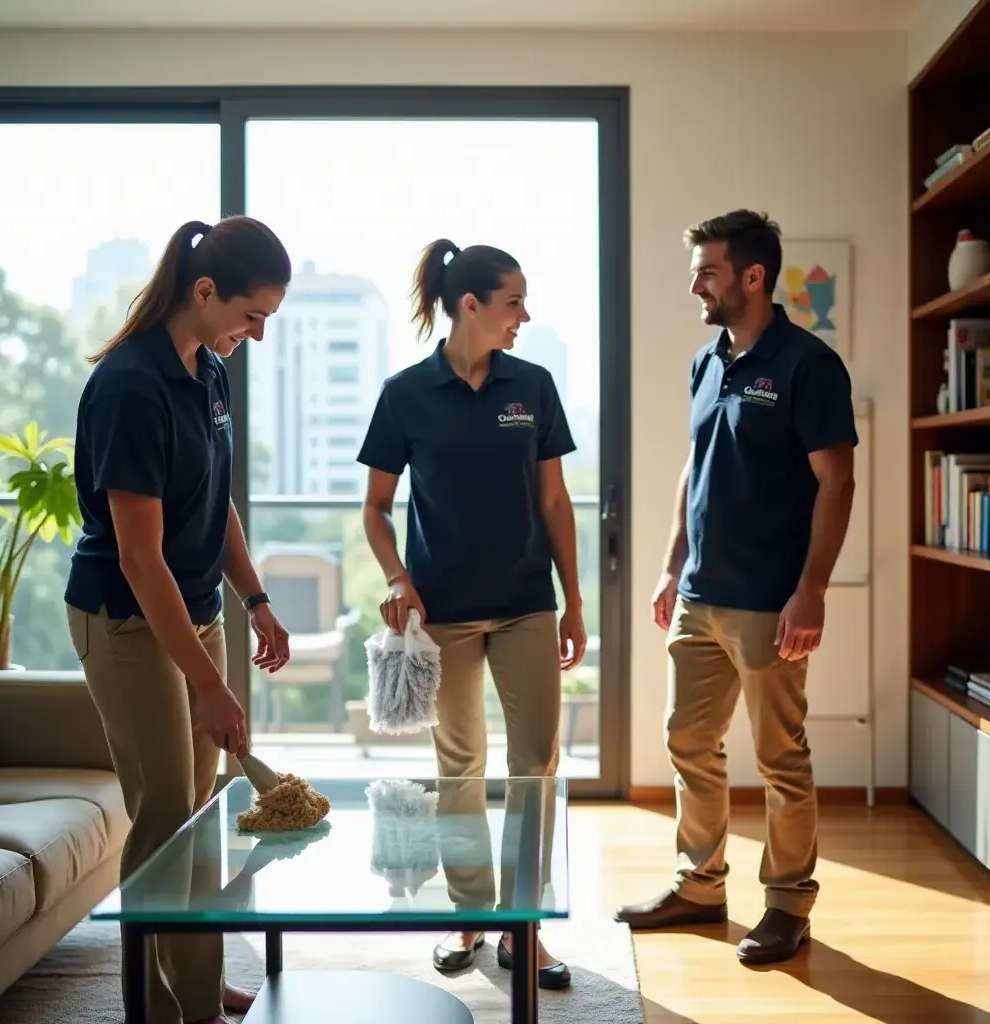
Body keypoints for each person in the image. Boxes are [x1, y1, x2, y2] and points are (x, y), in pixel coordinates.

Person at [64, 216, 294, 1024]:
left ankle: (194, 981)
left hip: (195, 609)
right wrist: (209, 686)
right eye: (251, 315)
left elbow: (216, 498)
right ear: (204, 292)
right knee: (166, 811)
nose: (256, 335)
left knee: (200, 815)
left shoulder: (208, 367)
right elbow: (139, 557)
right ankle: (158, 1007)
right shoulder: (131, 387)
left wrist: (255, 599)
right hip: (127, 618)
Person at [614, 210, 857, 965]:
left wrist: (812, 589)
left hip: (769, 601)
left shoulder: (809, 365)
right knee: (688, 741)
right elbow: (699, 464)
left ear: (754, 276)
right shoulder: (707, 361)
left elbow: (837, 481)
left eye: (708, 271)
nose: (696, 285)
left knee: (781, 756)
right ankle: (700, 885)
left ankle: (787, 904)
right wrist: (667, 562)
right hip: (698, 594)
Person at [357, 239, 587, 989]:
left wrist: (575, 600)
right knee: (459, 766)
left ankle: (524, 929)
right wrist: (397, 578)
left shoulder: (535, 386)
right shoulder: (405, 394)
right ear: (471, 306)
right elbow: (377, 509)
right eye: (514, 301)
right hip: (443, 612)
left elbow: (554, 500)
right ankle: (469, 913)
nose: (525, 315)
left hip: (525, 605)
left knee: (536, 765)